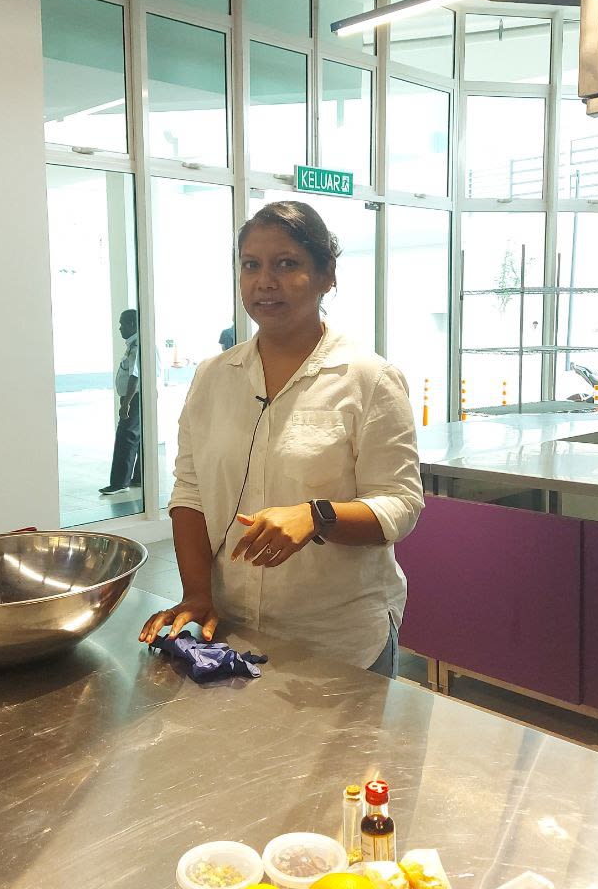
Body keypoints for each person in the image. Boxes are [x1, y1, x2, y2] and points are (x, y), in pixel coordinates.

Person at [139, 201, 423, 677]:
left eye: (287, 264)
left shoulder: (369, 378)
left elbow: (401, 503)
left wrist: (317, 516)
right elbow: (190, 491)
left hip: (340, 639)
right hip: (232, 629)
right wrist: (197, 594)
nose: (265, 281)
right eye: (251, 265)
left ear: (326, 274)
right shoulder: (212, 377)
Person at [100, 308, 142, 495]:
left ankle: (119, 483)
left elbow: (135, 376)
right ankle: (139, 477)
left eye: (122, 324)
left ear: (132, 324)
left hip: (134, 398)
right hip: (136, 397)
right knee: (138, 437)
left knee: (126, 437)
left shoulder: (139, 346)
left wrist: (126, 404)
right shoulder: (135, 344)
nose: (119, 328)